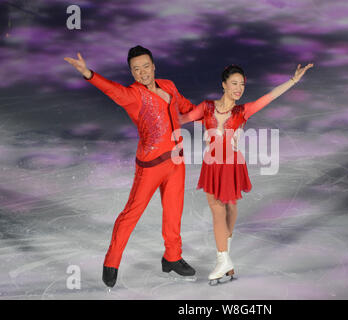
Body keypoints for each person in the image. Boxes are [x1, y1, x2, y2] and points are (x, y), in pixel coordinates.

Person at [64, 45, 197, 288]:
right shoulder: (133, 96)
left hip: (176, 162)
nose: (143, 72)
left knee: (173, 213)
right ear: (132, 73)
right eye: (136, 69)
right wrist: (88, 73)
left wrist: (217, 112)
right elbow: (112, 90)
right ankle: (111, 261)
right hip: (150, 167)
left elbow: (188, 109)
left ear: (154, 66)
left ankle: (172, 258)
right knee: (131, 214)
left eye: (146, 66)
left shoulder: (168, 85)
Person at [179, 63, 314, 284]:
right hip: (212, 165)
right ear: (223, 85)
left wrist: (293, 80)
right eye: (234, 83)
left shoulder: (243, 111)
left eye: (242, 84)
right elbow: (179, 119)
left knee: (231, 209)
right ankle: (223, 259)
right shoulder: (206, 107)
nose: (239, 88)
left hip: (232, 165)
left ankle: (225, 259)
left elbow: (269, 97)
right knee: (217, 212)